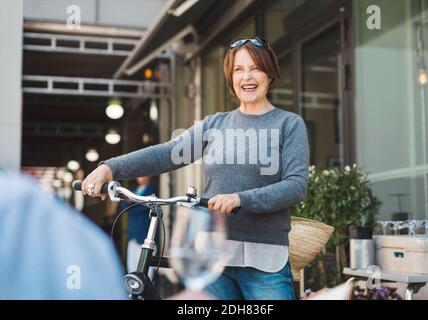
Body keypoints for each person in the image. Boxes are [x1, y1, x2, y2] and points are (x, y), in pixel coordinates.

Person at [81, 36, 309, 300]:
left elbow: (295, 186)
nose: (247, 77)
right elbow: (166, 154)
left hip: (264, 260)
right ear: (231, 78)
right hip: (213, 258)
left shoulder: (288, 124)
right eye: (239, 69)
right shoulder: (215, 125)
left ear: (270, 74)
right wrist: (109, 169)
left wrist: (240, 199)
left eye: (255, 68)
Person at [0, 172, 212, 300]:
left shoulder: (20, 200)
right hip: (134, 234)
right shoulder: (19, 200)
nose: (141, 176)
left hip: (145, 231)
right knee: (134, 274)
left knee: (149, 276)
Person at [118, 176, 159, 277]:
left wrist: (131, 203)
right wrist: (132, 205)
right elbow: (123, 206)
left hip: (146, 234)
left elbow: (143, 208)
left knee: (146, 270)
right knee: (132, 267)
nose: (139, 177)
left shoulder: (152, 189)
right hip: (133, 234)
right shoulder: (134, 190)